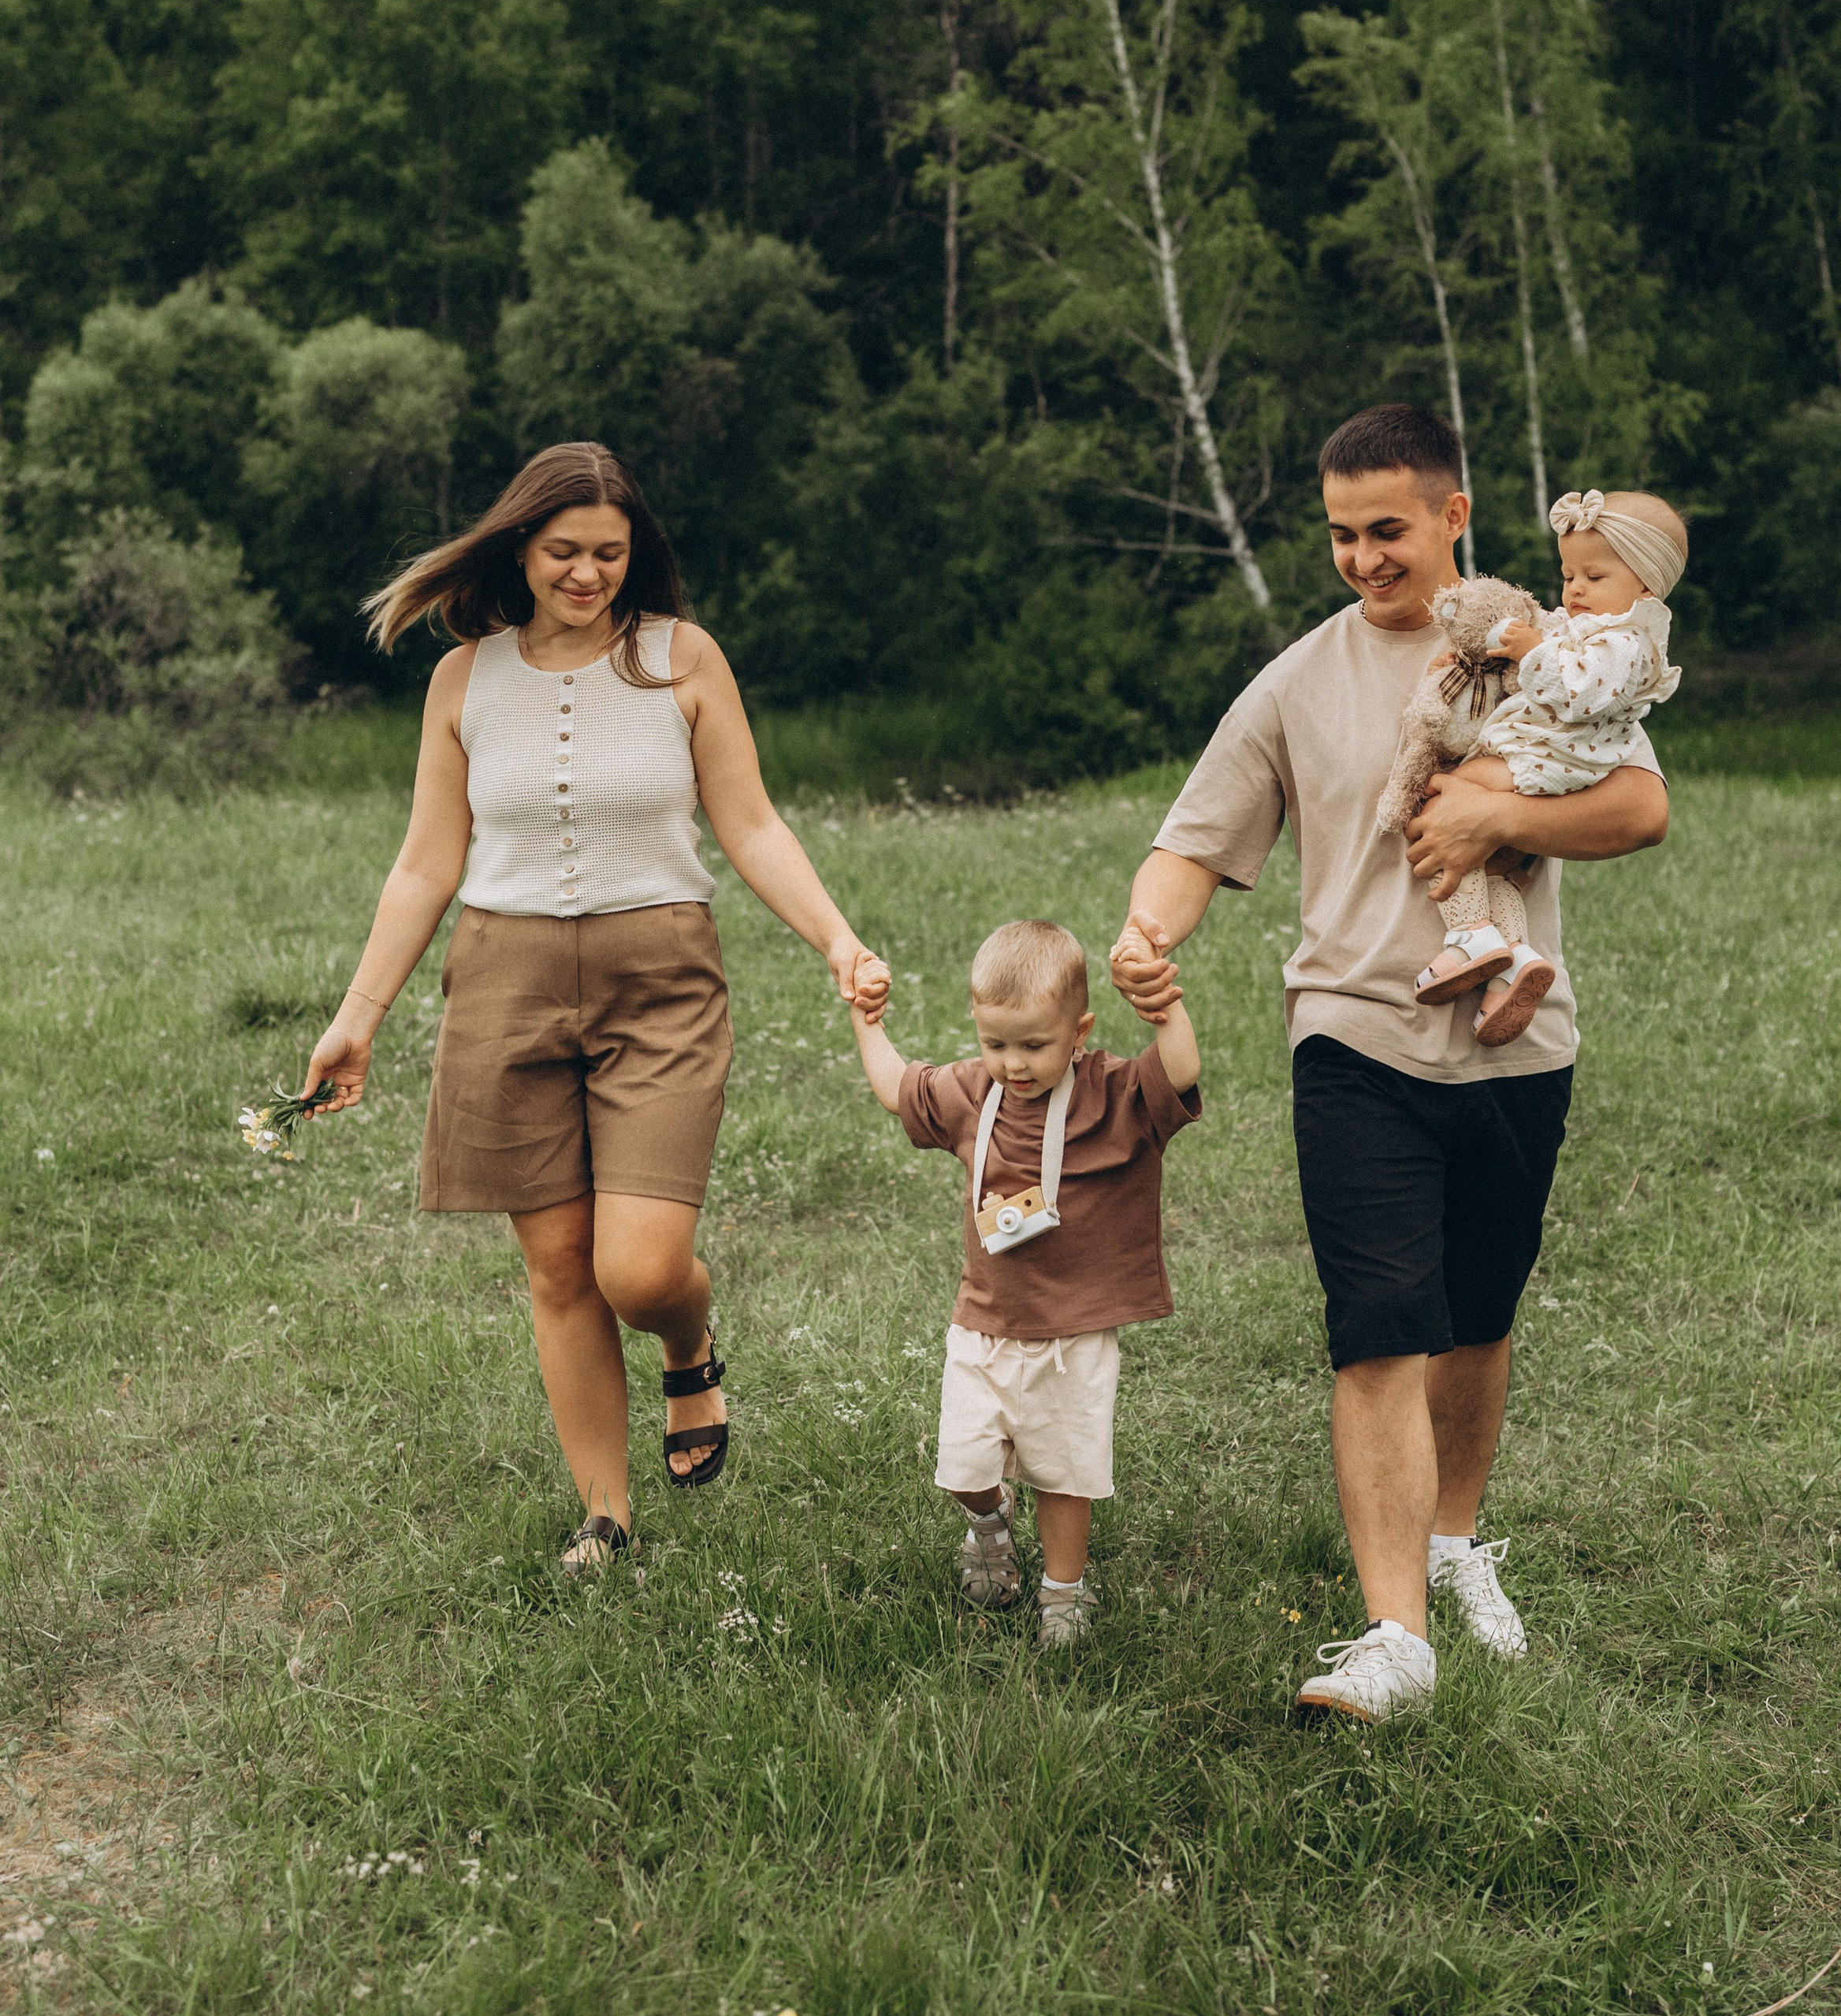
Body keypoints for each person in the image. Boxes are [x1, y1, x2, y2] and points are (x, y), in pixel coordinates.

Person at [1106, 404, 1668, 1721]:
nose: (1364, 558)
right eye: (1343, 536)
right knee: (1379, 1328)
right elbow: (1193, 840)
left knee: (1477, 1319)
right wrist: (1148, 932)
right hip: (1354, 1038)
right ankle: (1394, 1636)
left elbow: (1641, 805)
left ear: (1454, 517)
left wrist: (1497, 810)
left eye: (1390, 531)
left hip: (1520, 1044)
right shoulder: (1299, 679)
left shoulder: (1546, 652)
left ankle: (1455, 1546)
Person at [301, 442, 889, 1575]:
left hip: (659, 981)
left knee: (640, 1266)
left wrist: (837, 938)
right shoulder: (464, 680)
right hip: (503, 983)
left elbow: (751, 824)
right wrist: (358, 1014)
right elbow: (426, 862)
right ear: (518, 546)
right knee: (559, 1265)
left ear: (637, 554)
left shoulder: (682, 659)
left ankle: (690, 1344)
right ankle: (605, 1514)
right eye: (565, 551)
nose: (587, 573)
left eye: (609, 553)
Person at [848, 919, 1199, 1646]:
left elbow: (1182, 1072)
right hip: (983, 1325)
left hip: (1073, 1338)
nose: (1013, 1063)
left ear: (1080, 1030)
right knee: (961, 1466)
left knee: (1065, 1476)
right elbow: (895, 1089)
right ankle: (988, 1522)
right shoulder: (972, 1093)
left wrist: (1165, 1010)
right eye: (995, 1043)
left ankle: (1063, 1596)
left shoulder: (1112, 1094)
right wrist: (866, 1021)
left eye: (1034, 1044)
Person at [1408, 486, 1687, 1043]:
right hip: (1540, 757)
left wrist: (1534, 649)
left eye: (1594, 576)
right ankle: (1513, 960)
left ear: (1647, 586)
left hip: (1547, 761)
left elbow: (1578, 689)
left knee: (1438, 803)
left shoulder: (1628, 645)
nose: (1576, 588)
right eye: (1568, 574)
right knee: (1495, 869)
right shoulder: (1592, 628)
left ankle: (1469, 934)